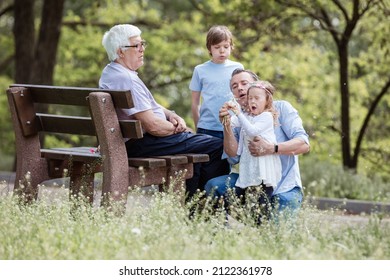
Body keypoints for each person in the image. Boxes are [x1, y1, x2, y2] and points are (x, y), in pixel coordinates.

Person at [99, 24, 230, 200]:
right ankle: (205, 207)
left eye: (142, 44)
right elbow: (153, 126)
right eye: (136, 45)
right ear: (120, 51)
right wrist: (178, 129)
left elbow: (148, 105)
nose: (142, 49)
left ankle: (196, 206)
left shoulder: (112, 72)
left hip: (130, 141)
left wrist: (171, 115)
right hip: (143, 142)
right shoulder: (126, 78)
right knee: (218, 147)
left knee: (199, 147)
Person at [204, 68, 310, 220]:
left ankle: (258, 220)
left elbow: (304, 144)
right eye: (234, 86)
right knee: (215, 186)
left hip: (284, 186)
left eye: (244, 83)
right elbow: (233, 156)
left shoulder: (281, 108)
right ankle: (239, 226)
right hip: (252, 180)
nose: (239, 88)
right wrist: (226, 124)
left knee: (275, 233)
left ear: (259, 87)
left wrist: (271, 148)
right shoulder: (241, 119)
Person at [190, 25, 244, 139]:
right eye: (217, 47)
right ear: (209, 48)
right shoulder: (200, 70)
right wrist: (198, 127)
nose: (222, 50)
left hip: (234, 126)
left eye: (226, 46)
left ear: (231, 46)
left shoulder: (238, 68)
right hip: (207, 128)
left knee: (233, 157)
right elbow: (195, 103)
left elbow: (243, 97)